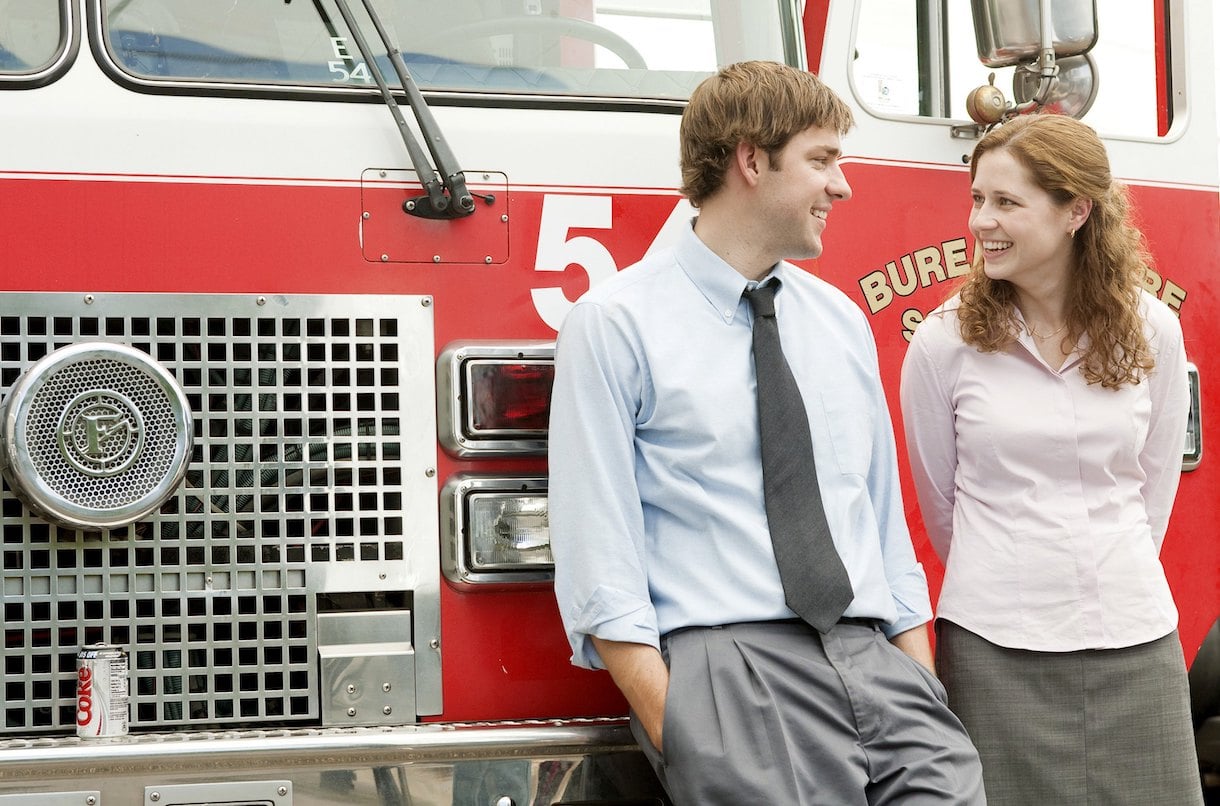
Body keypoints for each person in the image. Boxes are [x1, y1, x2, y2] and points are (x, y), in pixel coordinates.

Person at [549, 60, 985, 805]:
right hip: (729, 667)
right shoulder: (616, 322)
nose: (841, 186)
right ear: (750, 160)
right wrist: (678, 724)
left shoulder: (841, 321)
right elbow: (599, 554)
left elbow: (881, 527)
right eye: (821, 160)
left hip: (873, 661)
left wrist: (921, 685)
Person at [900, 113, 1201, 805]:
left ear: (1076, 211)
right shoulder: (944, 343)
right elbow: (941, 504)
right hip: (993, 648)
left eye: (1006, 202)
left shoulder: (1153, 327)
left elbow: (1150, 490)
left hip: (1135, 642)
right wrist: (1013, 572)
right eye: (977, 199)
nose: (981, 221)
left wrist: (1107, 566)